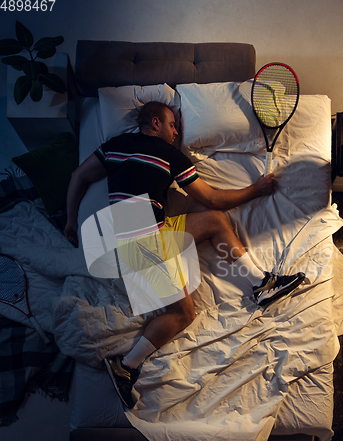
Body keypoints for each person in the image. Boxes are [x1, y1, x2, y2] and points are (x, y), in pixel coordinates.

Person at [64, 101, 305, 409]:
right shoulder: (167, 155)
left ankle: (261, 284)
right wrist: (255, 190)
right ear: (155, 122)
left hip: (150, 228)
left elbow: (78, 177)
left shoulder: (116, 146)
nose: (176, 132)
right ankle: (126, 365)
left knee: (215, 220)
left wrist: (71, 218)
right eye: (172, 125)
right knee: (184, 314)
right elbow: (211, 195)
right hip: (137, 234)